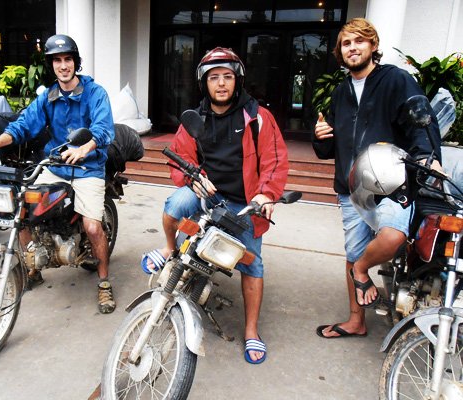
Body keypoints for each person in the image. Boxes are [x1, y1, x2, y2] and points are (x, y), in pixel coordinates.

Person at [141, 47, 289, 363]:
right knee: (177, 203)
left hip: (244, 202)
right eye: (213, 77)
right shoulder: (196, 118)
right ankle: (169, 248)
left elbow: (276, 160)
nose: (220, 83)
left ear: (237, 80)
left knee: (253, 262)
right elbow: (181, 157)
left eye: (227, 76)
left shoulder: (258, 117)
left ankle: (251, 330)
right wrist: (193, 178)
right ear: (204, 83)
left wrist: (266, 194)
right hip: (207, 194)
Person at [313, 18, 442, 339]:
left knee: (392, 237)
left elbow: (420, 117)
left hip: (391, 183)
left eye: (359, 41)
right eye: (346, 43)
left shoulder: (396, 80)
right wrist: (320, 137)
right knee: (354, 251)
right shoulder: (341, 93)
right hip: (351, 189)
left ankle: (361, 271)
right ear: (340, 53)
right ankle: (356, 320)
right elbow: (329, 147)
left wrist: (429, 157)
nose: (352, 48)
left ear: (373, 46)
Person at [0, 34, 116, 314]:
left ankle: (103, 283)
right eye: (57, 61)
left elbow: (103, 129)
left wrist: (85, 147)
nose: (63, 66)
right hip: (55, 167)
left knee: (91, 227)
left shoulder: (95, 92)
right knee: (22, 209)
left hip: (88, 168)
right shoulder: (47, 97)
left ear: (76, 62)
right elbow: (22, 126)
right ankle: (33, 267)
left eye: (67, 59)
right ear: (51, 65)